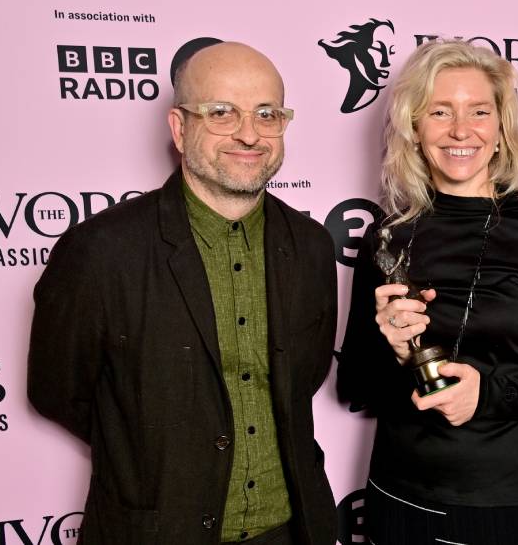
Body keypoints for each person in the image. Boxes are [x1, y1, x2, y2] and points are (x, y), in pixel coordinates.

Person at [27, 41, 338, 545]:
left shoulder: (312, 247)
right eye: (221, 113)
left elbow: (305, 377)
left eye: (267, 114)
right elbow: (58, 392)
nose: (248, 133)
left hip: (292, 529)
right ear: (179, 127)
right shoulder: (101, 249)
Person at [338, 40, 518, 545]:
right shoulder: (389, 237)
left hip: (512, 506)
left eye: (479, 111)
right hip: (400, 501)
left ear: (502, 130)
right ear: (415, 129)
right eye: (440, 111)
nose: (461, 130)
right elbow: (355, 384)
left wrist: (487, 394)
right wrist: (394, 351)